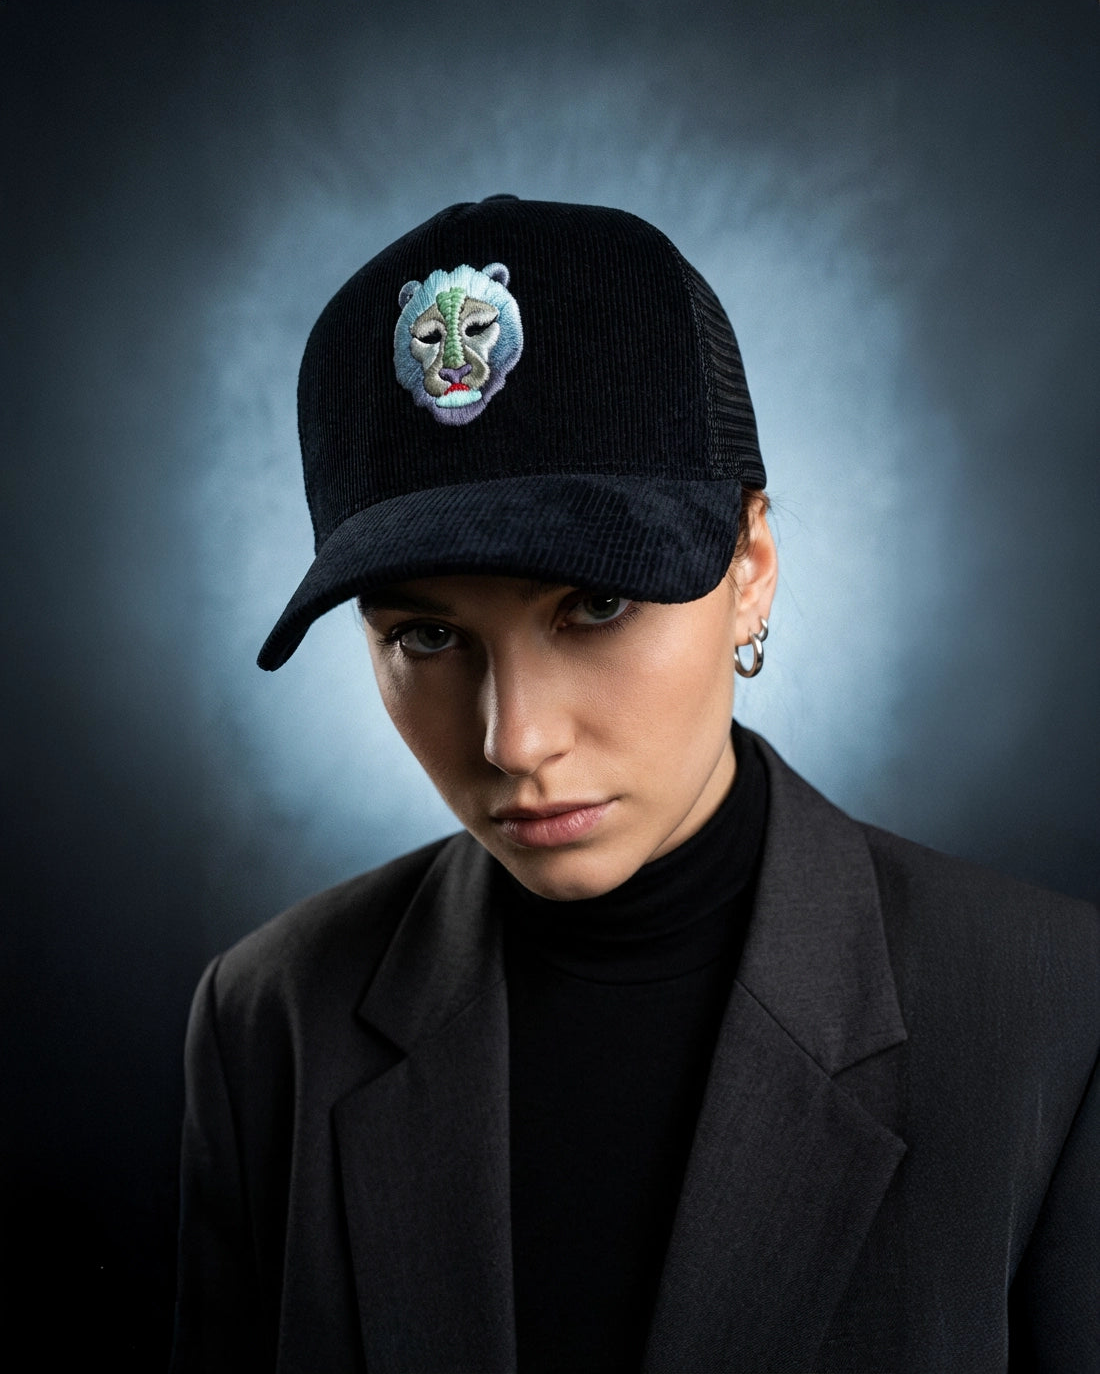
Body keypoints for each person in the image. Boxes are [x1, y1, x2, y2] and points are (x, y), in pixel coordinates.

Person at [170, 196, 1099, 1373]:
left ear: (749, 564)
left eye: (595, 602)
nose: (515, 738)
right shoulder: (270, 1021)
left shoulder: (1054, 1013)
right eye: (425, 635)